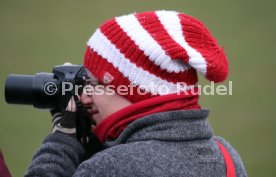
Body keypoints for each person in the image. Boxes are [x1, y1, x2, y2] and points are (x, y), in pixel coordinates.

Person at [24, 10, 247, 177]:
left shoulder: (108, 168)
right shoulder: (226, 156)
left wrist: (61, 145)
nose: (84, 97)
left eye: (94, 83)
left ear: (140, 93)